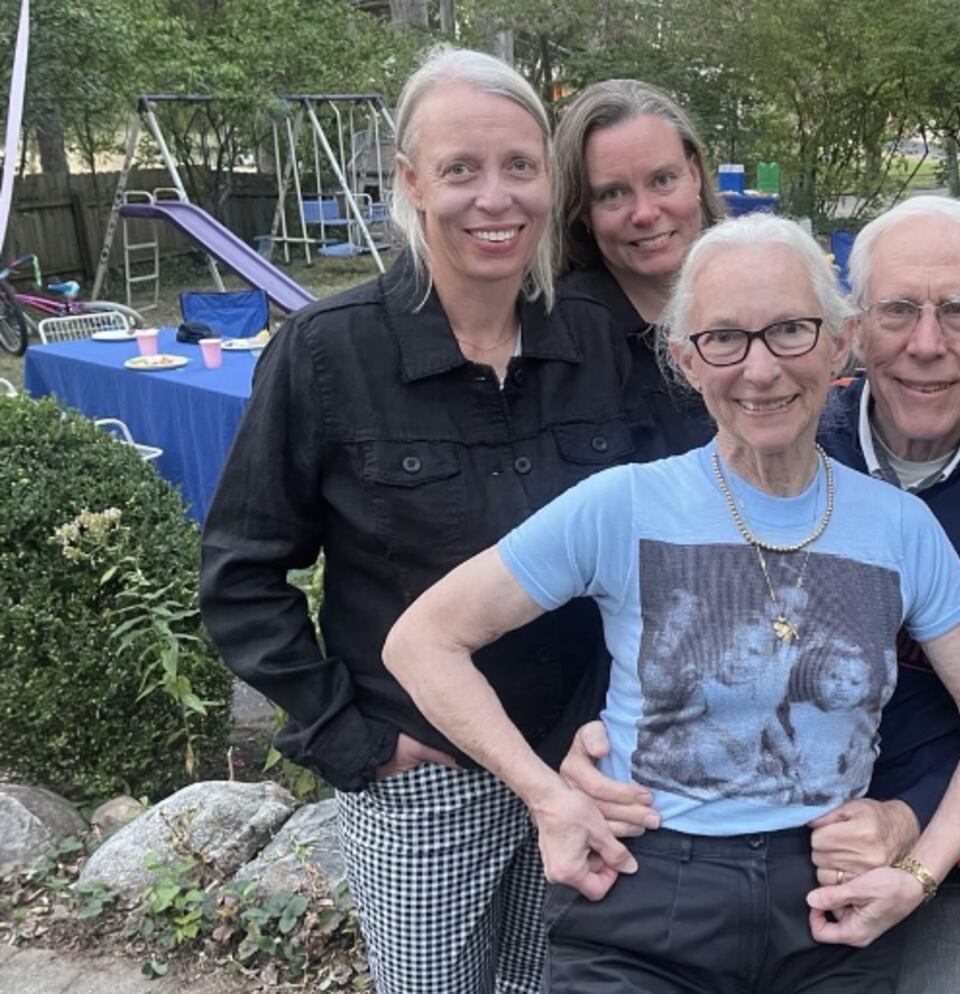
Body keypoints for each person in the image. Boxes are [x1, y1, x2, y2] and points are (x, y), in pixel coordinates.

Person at [381, 212, 960, 993]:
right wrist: (546, 795)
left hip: (829, 905)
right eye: (725, 338)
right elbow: (422, 640)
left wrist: (921, 871)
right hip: (647, 896)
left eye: (790, 331)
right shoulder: (622, 505)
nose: (760, 370)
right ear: (688, 361)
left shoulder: (899, 526)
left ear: (839, 344)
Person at [562, 196, 960, 992]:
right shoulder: (774, 432)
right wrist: (592, 750)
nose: (925, 345)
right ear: (852, 330)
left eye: (959, 312)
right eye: (897, 310)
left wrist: (912, 823)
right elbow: (646, 621)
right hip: (767, 845)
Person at [199, 47, 656, 993]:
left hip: (580, 762)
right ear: (411, 181)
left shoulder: (598, 341)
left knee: (558, 984)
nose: (496, 198)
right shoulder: (329, 354)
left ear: (549, 179)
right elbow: (242, 576)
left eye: (520, 167)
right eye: (460, 170)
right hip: (424, 778)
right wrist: (355, 741)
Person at [551, 78, 724, 457]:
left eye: (662, 180)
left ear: (693, 174)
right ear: (581, 209)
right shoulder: (560, 341)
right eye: (612, 194)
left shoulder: (757, 292)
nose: (645, 213)